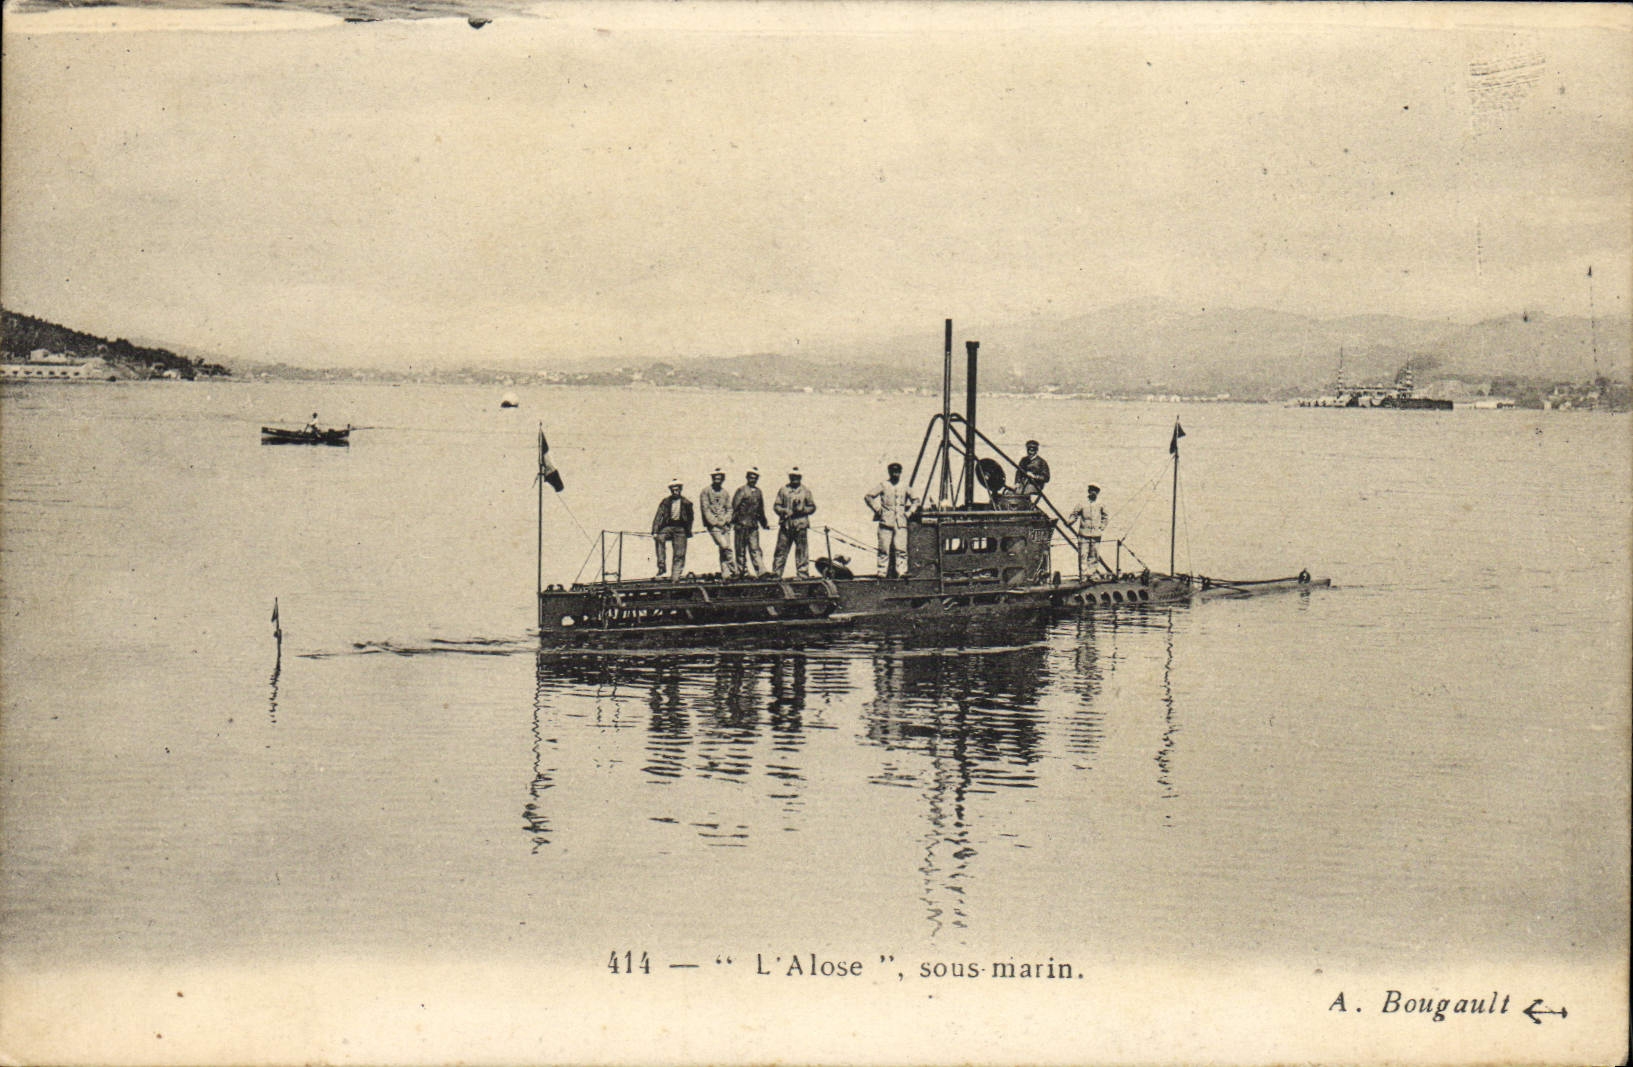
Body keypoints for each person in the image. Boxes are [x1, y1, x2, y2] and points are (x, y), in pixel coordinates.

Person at [864, 462, 917, 577]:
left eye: (897, 472)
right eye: (893, 472)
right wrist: (878, 510)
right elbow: (868, 497)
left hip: (900, 522)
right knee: (884, 549)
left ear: (900, 472)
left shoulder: (905, 486)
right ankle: (882, 572)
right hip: (886, 522)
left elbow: (916, 500)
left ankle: (902, 572)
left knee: (901, 549)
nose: (895, 474)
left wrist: (909, 513)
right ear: (889, 472)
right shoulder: (883, 485)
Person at [772, 467, 817, 578]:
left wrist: (802, 509)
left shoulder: (806, 491)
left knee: (802, 551)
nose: (795, 479)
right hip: (786, 525)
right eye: (793, 476)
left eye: (797, 477)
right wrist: (783, 511)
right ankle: (776, 574)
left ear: (800, 477)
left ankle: (802, 574)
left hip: (800, 525)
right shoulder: (783, 490)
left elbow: (812, 507)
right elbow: (776, 506)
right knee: (781, 551)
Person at [730, 467, 771, 577]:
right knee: (740, 550)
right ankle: (742, 572)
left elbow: (760, 510)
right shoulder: (741, 490)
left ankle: (761, 572)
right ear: (747, 478)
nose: (753, 480)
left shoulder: (758, 492)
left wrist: (764, 523)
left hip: (753, 525)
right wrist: (731, 523)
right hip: (741, 525)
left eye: (755, 478)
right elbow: (734, 507)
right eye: (751, 477)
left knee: (755, 548)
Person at [650, 479, 693, 581]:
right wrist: (655, 531)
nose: (675, 492)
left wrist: (687, 530)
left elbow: (690, 518)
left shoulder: (686, 503)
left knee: (679, 554)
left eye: (677, 490)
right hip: (668, 526)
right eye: (673, 490)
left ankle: (675, 577)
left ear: (680, 490)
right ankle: (661, 565)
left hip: (680, 528)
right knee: (660, 538)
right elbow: (658, 516)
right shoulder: (665, 502)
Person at [699, 468, 736, 577]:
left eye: (720, 478)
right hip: (714, 525)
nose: (717, 480)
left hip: (725, 525)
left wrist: (726, 520)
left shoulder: (725, 493)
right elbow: (705, 510)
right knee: (725, 546)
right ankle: (735, 569)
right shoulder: (705, 492)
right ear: (712, 479)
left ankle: (726, 574)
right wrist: (716, 522)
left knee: (723, 549)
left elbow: (729, 508)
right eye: (715, 478)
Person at [1067, 483, 1108, 576]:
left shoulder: (1101, 504)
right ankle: (1083, 576)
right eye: (1092, 490)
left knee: (1094, 555)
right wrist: (1070, 522)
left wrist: (1101, 527)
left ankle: (1092, 575)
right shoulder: (1082, 503)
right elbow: (1075, 514)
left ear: (1098, 493)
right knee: (1083, 555)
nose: (1094, 492)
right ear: (1089, 491)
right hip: (1083, 534)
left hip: (1096, 534)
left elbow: (1105, 517)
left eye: (1096, 491)